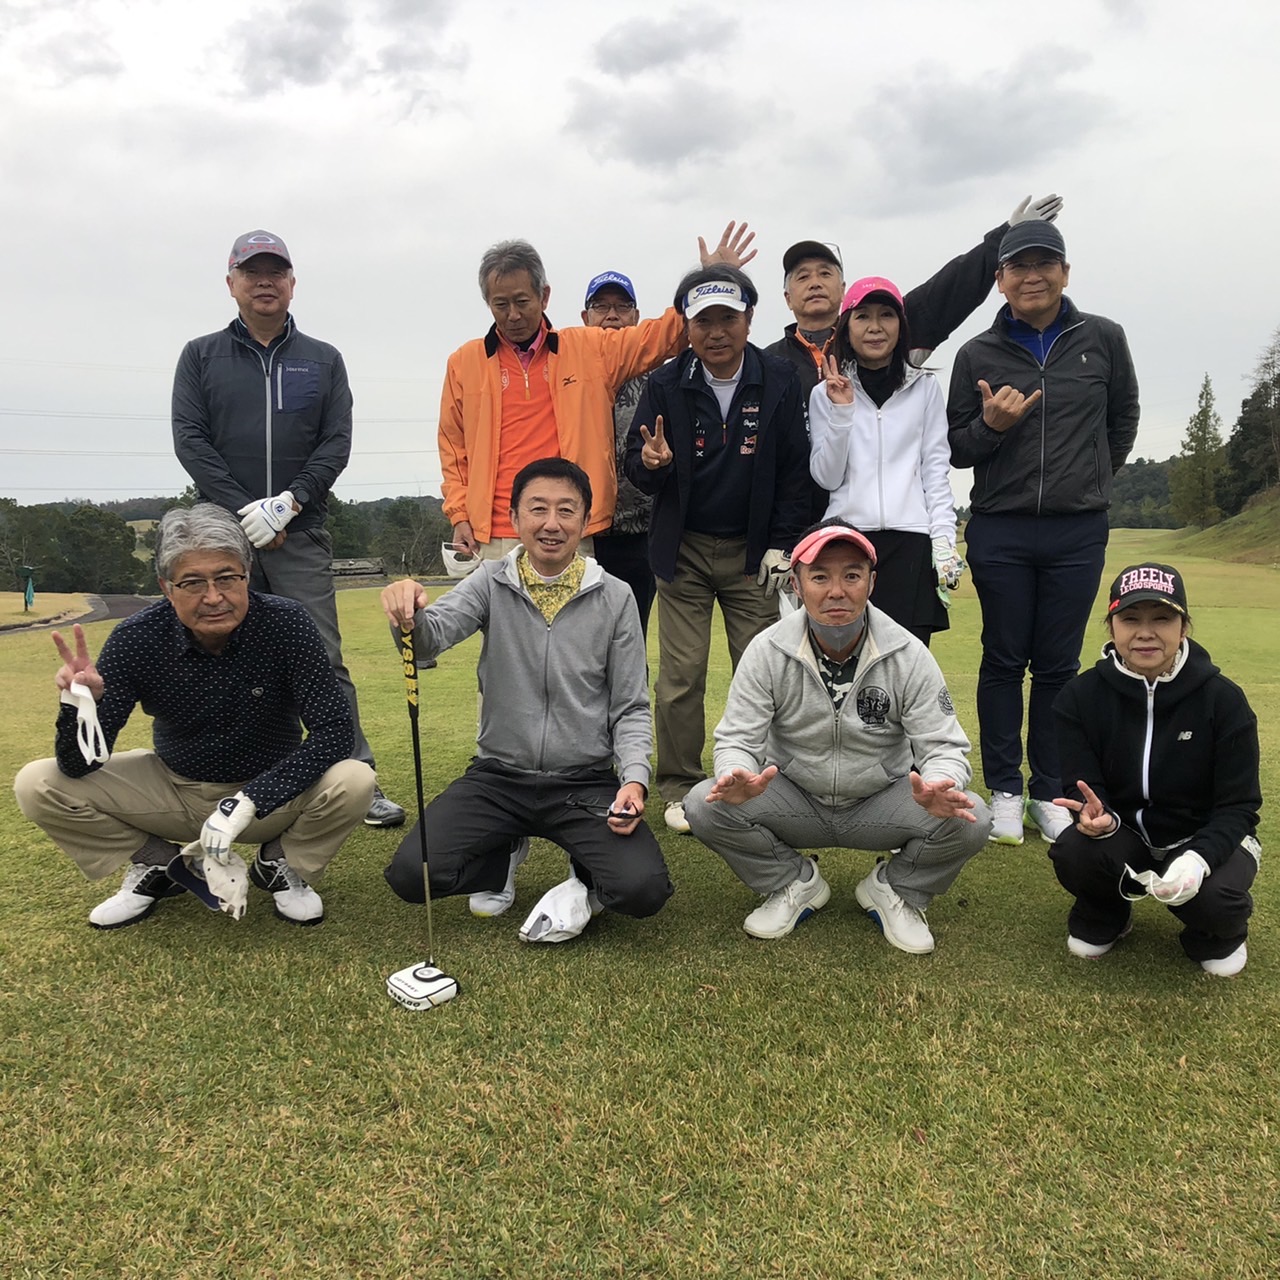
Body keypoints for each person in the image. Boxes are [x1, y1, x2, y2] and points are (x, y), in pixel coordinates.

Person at [13, 504, 375, 929]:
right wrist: (79, 707)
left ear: (247, 574)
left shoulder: (286, 623)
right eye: (192, 583)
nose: (214, 597)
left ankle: (280, 863)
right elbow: (79, 765)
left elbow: (334, 732)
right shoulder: (136, 638)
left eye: (227, 578)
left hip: (271, 797)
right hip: (175, 788)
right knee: (37, 783)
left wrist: (250, 800)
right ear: (166, 588)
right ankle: (159, 864)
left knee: (355, 779)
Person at [380, 458, 672, 936]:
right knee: (413, 875)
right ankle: (502, 854)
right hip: (499, 777)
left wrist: (634, 781)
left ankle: (584, 873)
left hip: (584, 781)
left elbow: (630, 706)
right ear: (515, 518)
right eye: (538, 509)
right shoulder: (489, 581)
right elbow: (428, 640)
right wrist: (406, 611)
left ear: (585, 521)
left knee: (642, 890)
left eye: (566, 510)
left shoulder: (616, 596)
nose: (551, 523)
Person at [171, 229, 403, 828]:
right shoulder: (200, 356)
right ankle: (233, 774)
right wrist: (246, 510)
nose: (264, 281)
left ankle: (354, 774)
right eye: (252, 272)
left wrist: (289, 504)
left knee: (321, 656)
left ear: (293, 283)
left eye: (275, 271)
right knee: (221, 654)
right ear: (231, 284)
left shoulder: (323, 359)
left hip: (301, 532)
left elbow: (335, 442)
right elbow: (190, 441)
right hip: (222, 540)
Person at [684, 521, 990, 952]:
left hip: (880, 802)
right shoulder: (766, 650)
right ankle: (793, 881)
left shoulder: (908, 653)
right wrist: (736, 771)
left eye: (851, 575)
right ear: (796, 584)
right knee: (704, 803)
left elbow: (944, 745)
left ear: (871, 582)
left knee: (971, 816)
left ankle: (896, 888)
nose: (837, 591)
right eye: (820, 576)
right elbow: (737, 738)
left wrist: (942, 781)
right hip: (795, 797)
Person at [948, 220, 1139, 847]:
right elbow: (958, 447)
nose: (1032, 276)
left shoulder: (1103, 339)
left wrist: (1091, 480)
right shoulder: (976, 353)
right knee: (1004, 660)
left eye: (1045, 263)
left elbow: (1122, 421)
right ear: (1000, 280)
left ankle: (1048, 790)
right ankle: (1005, 789)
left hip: (1076, 529)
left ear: (1064, 271)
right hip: (1000, 527)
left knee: (1059, 665)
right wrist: (993, 427)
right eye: (1019, 266)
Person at [438, 224, 756, 564]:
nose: (513, 315)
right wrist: (459, 514)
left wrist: (711, 281)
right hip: (492, 536)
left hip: (569, 528)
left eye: (522, 301)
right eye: (500, 304)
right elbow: (453, 450)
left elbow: (661, 337)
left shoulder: (590, 348)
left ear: (544, 296)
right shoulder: (463, 363)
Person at [624, 265, 812, 833]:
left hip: (752, 554)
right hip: (682, 551)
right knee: (681, 676)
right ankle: (680, 785)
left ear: (749, 319)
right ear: (687, 326)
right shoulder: (665, 382)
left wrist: (782, 545)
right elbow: (637, 465)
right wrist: (652, 464)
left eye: (727, 318)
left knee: (763, 671)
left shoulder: (779, 378)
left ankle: (761, 778)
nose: (716, 332)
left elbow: (795, 472)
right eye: (703, 321)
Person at [766, 194, 1063, 519]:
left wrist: (1003, 238)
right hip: (792, 523)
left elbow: (950, 289)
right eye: (802, 276)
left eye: (825, 273)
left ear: (844, 289)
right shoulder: (769, 365)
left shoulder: (888, 333)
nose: (814, 284)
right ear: (787, 297)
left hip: (869, 523)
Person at [1050, 563, 1260, 977]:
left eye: (1162, 618)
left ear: (1184, 628)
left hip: (1201, 837)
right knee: (1073, 851)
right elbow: (1082, 784)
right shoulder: (1079, 697)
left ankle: (1216, 936)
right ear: (1111, 627)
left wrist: (1198, 859)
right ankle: (1107, 913)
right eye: (1131, 619)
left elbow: (1239, 806)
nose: (1145, 633)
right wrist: (1099, 818)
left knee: (1216, 900)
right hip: (1125, 837)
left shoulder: (1224, 700)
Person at [808, 276, 960, 645]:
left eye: (886, 315)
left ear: (901, 326)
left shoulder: (925, 388)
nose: (875, 327)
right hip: (847, 541)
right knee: (844, 657)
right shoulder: (825, 393)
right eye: (863, 317)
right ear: (847, 328)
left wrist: (943, 538)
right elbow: (826, 477)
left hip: (911, 542)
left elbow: (934, 470)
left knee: (907, 663)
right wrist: (842, 413)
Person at [579, 270, 658, 635]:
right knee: (581, 638)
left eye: (622, 306)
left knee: (631, 634)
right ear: (585, 317)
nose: (612, 315)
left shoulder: (658, 379)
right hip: (581, 531)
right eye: (601, 306)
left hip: (640, 530)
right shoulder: (566, 374)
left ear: (636, 317)